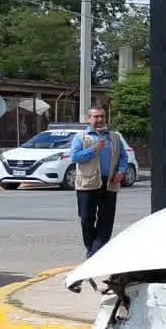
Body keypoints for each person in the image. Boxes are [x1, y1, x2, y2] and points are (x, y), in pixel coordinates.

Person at [69, 106, 130, 257]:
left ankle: (96, 251)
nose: (100, 120)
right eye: (96, 117)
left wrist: (121, 171)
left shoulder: (114, 137)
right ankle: (92, 248)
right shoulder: (81, 137)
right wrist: (94, 149)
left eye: (102, 116)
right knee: (86, 218)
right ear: (89, 119)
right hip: (87, 183)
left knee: (107, 219)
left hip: (109, 182)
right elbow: (75, 157)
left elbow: (123, 156)